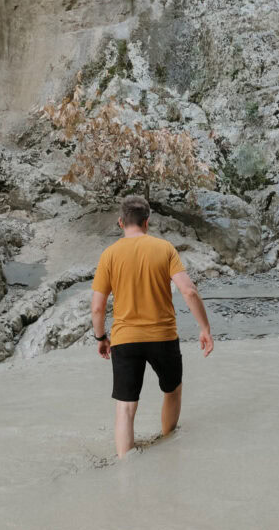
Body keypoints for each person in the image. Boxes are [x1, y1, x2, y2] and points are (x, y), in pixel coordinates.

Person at [90, 194, 214, 457]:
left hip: (124, 339)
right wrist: (205, 329)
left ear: (121, 222)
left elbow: (98, 307)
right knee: (172, 391)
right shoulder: (164, 248)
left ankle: (125, 469)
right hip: (163, 337)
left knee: (125, 407)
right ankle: (169, 447)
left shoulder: (109, 255)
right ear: (147, 222)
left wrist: (100, 337)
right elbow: (189, 291)